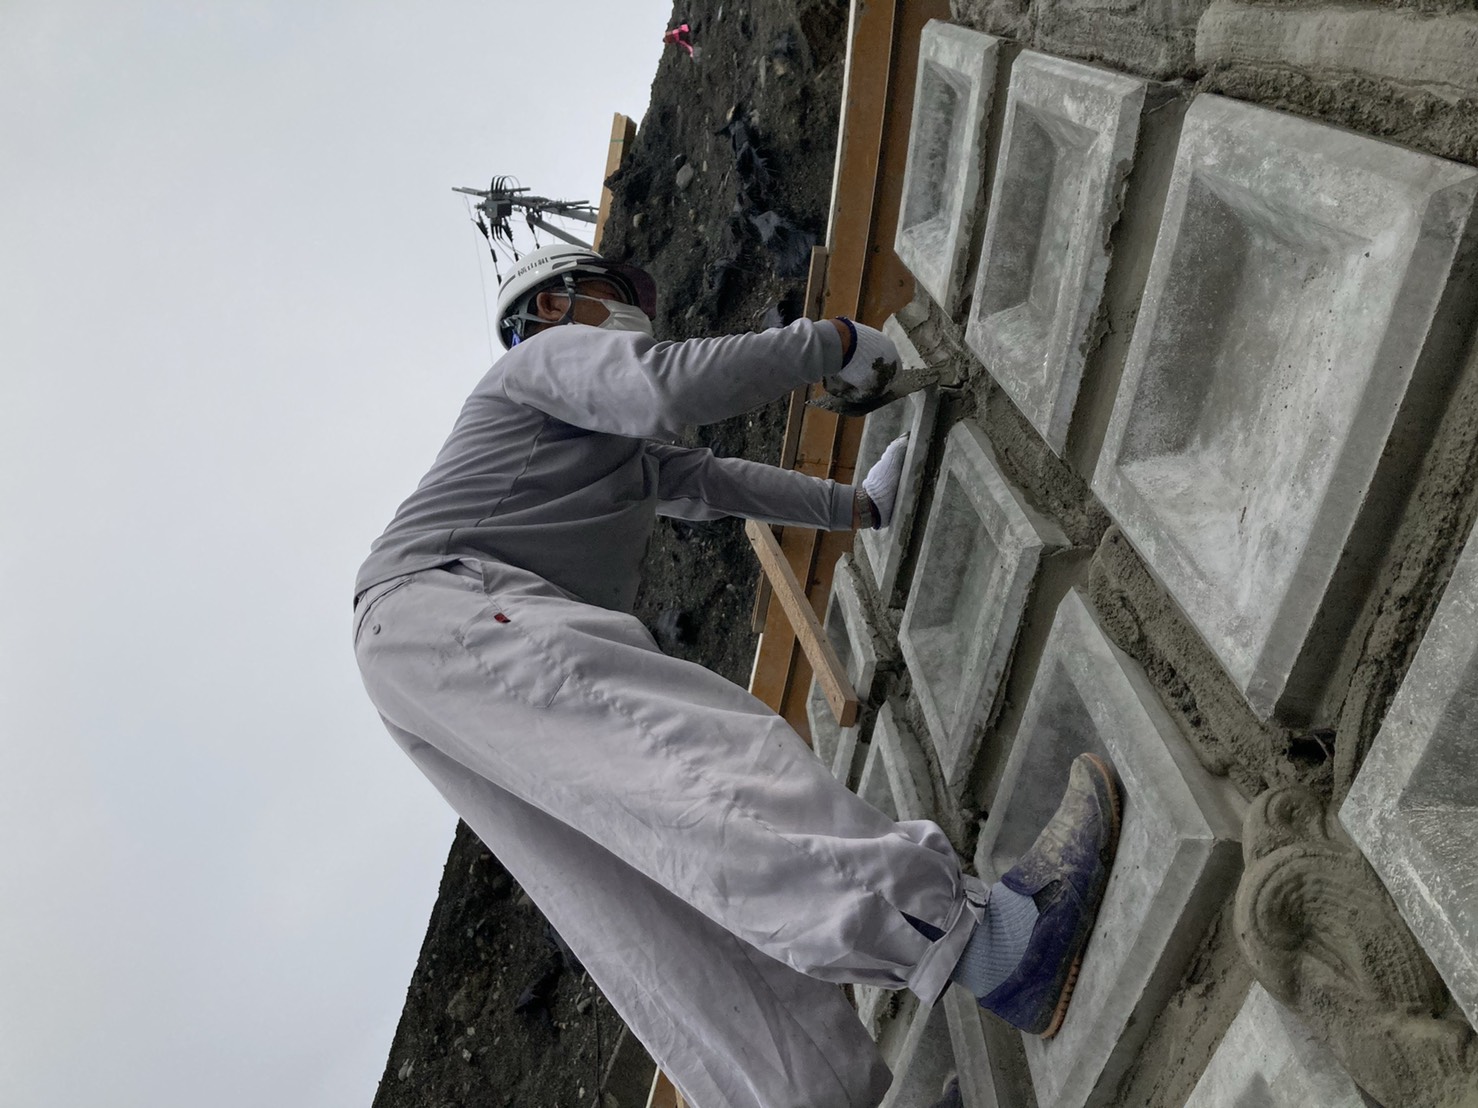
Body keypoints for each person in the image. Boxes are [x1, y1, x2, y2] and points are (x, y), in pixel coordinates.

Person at [351, 244, 1121, 1108]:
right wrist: (831, 341)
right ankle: (994, 944)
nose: (635, 313)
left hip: (421, 653)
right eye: (614, 294)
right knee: (691, 758)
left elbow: (720, 485)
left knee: (655, 905)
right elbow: (669, 385)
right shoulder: (535, 365)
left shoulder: (620, 458)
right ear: (557, 305)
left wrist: (858, 507)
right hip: (448, 608)